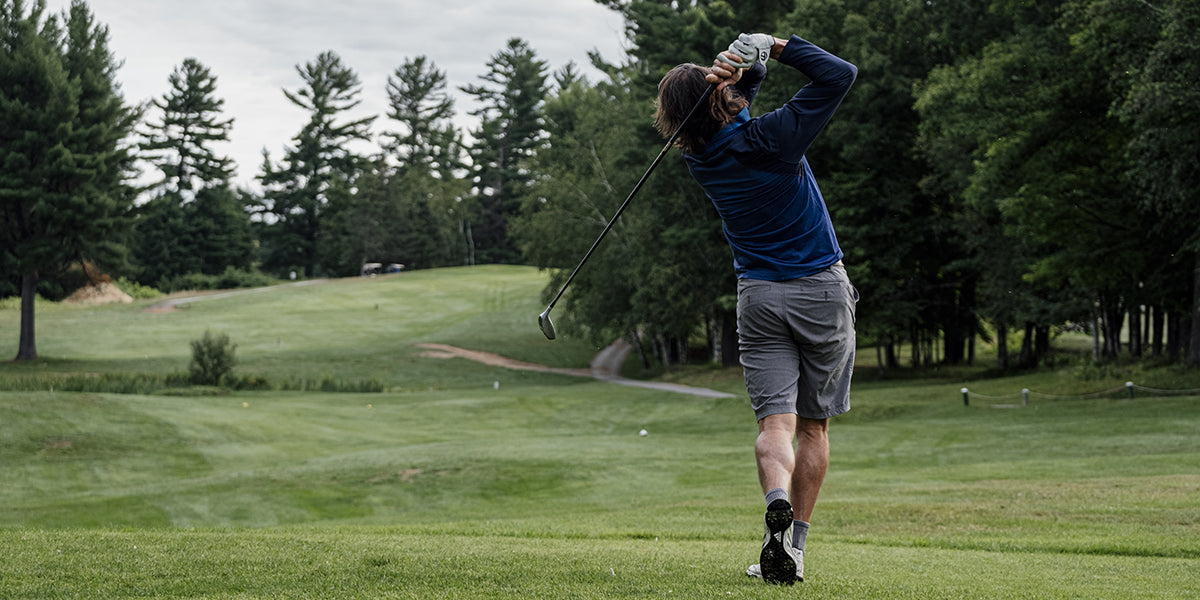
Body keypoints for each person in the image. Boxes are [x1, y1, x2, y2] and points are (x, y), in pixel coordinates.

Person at [654, 33, 858, 585]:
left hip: (760, 298)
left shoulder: (701, 158)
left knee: (776, 424)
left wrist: (746, 71)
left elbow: (735, 114)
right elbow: (839, 74)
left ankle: (775, 501)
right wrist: (775, 44)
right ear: (719, 99)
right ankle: (793, 548)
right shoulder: (774, 141)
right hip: (820, 291)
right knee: (813, 428)